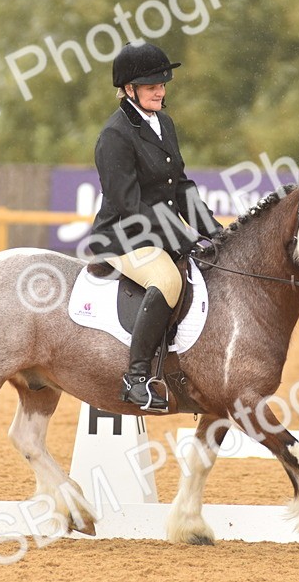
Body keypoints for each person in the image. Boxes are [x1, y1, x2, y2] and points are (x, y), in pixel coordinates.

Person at [87, 42, 222, 412]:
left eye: (163, 84)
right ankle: (136, 377)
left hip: (158, 229)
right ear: (129, 89)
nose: (160, 91)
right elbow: (130, 205)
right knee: (168, 280)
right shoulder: (114, 136)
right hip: (122, 234)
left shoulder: (163, 122)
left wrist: (213, 230)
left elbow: (179, 186)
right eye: (151, 86)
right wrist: (182, 237)